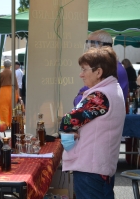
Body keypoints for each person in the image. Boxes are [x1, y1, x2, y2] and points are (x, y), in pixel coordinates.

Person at [60, 47, 126, 199]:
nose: (80, 74)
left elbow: (67, 121)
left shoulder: (100, 96)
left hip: (91, 170)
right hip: (98, 167)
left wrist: (69, 128)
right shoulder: (111, 90)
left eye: (84, 69)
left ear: (98, 72)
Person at [73, 30, 129, 106]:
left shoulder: (116, 69)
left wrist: (83, 96)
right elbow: (82, 93)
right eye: (88, 46)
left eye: (92, 46)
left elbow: (81, 102)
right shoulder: (108, 67)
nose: (89, 50)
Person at [0, 59, 19, 127]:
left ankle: (5, 123)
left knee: (3, 108)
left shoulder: (1, 74)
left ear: (4, 66)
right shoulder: (12, 73)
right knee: (11, 108)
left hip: (3, 91)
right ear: (10, 66)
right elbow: (16, 84)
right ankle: (10, 123)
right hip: (11, 91)